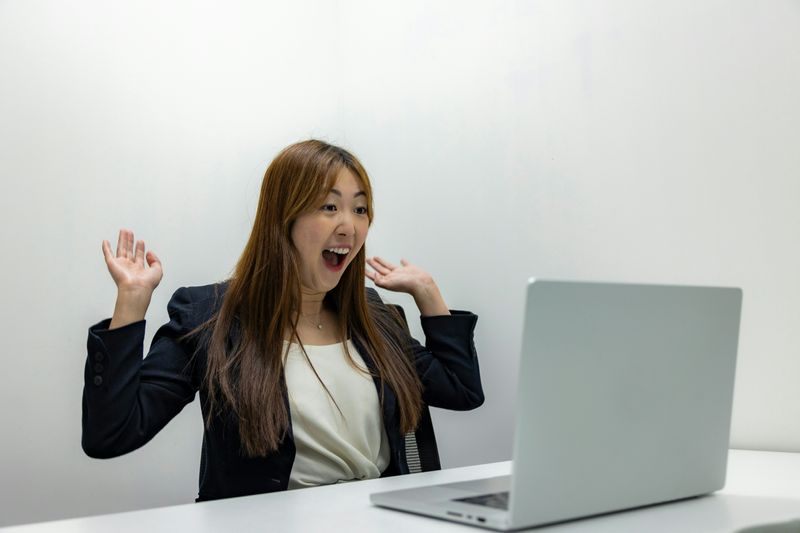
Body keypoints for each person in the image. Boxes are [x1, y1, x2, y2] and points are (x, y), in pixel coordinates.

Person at [82, 139, 484, 501]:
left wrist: (428, 294)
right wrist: (132, 304)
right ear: (283, 218)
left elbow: (462, 392)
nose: (349, 225)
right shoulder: (210, 317)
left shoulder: (374, 317)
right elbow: (112, 434)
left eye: (360, 209)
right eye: (330, 207)